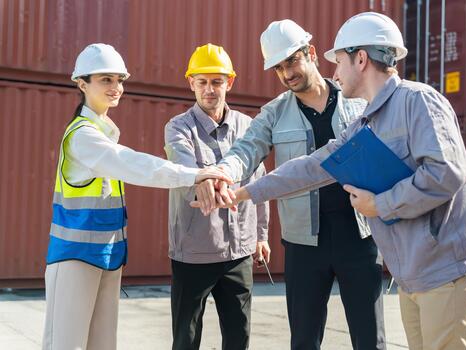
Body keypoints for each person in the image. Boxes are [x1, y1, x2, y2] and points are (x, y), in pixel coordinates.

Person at [197, 12, 466, 350]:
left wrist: (378, 204)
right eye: (278, 67)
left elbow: (448, 174)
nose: (336, 72)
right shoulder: (364, 123)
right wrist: (239, 192)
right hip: (409, 271)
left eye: (338, 61)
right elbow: (310, 167)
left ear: (361, 58)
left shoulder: (416, 102)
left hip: (444, 265)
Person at [196, 20, 385, 350]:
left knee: (370, 339)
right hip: (303, 243)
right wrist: (221, 173)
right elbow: (246, 150)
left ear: (311, 53)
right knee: (304, 341)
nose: (286, 73)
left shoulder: (357, 100)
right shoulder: (273, 113)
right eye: (279, 68)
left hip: (359, 235)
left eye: (292, 61)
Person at [42, 43, 231, 350]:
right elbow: (135, 165)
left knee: (103, 346)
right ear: (82, 83)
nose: (116, 87)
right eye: (106, 80)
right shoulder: (83, 136)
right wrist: (194, 174)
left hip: (107, 258)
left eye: (119, 79)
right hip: (73, 259)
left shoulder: (102, 131)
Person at [164, 43, 270, 350]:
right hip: (194, 252)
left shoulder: (248, 127)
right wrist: (205, 178)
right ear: (191, 83)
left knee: (239, 336)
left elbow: (259, 184)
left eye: (217, 81)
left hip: (239, 253)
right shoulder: (178, 128)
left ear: (230, 83)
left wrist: (261, 236)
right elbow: (183, 162)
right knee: (186, 338)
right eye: (202, 82)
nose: (209, 89)